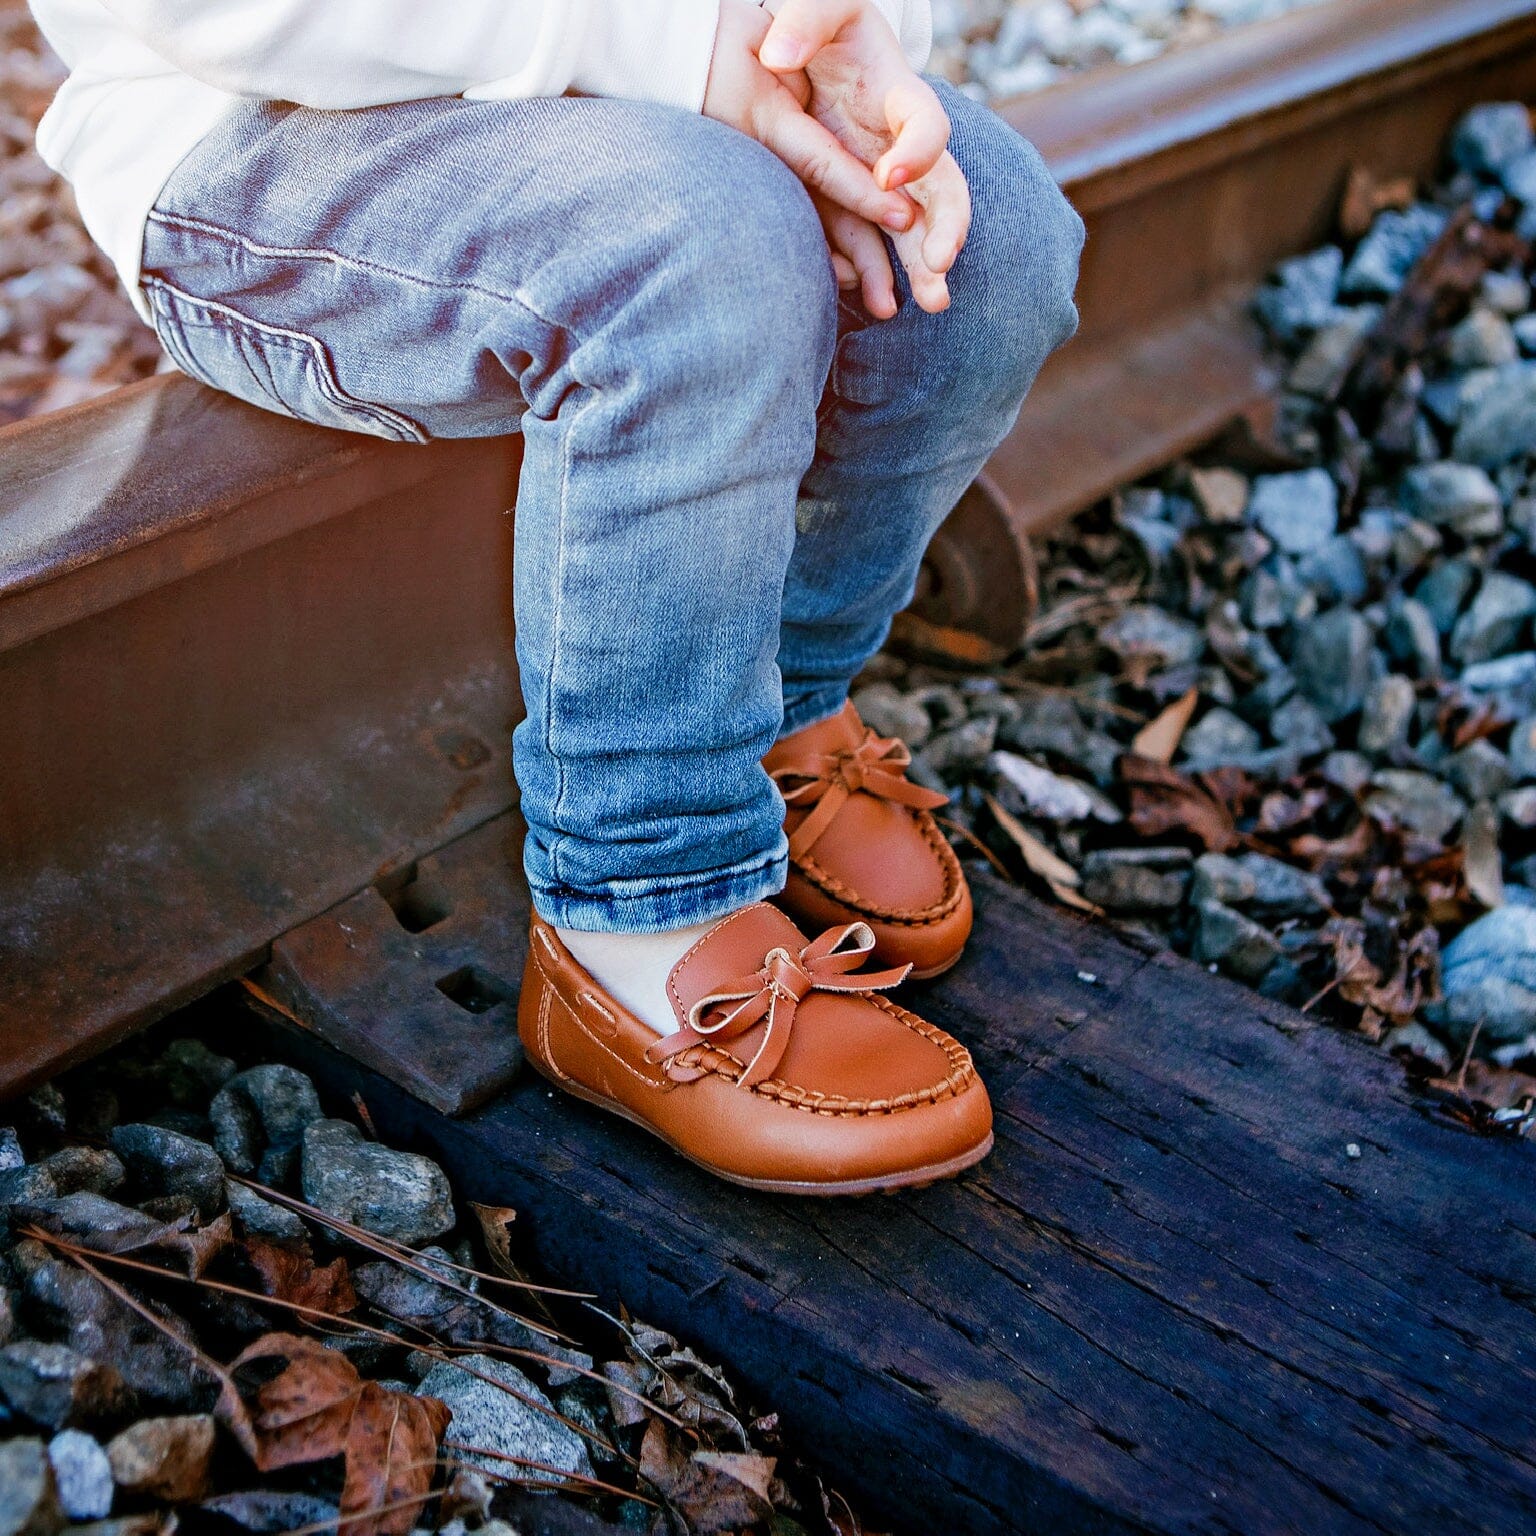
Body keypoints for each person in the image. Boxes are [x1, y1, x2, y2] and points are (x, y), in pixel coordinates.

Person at [32, 0, 1084, 1194]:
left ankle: (779, 702)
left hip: (653, 90)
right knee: (693, 240)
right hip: (262, 126)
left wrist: (830, 48)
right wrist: (685, 54)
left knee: (990, 237)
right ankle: (642, 903)